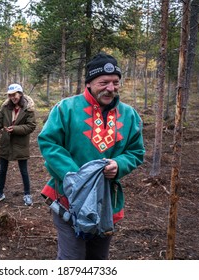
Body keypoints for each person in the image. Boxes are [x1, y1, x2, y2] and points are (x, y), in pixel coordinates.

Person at [38, 52, 145, 259]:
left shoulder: (129, 115)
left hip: (107, 202)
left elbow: (136, 151)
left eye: (115, 82)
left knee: (99, 259)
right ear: (88, 83)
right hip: (66, 199)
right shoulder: (66, 109)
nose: (110, 88)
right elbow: (49, 142)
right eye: (103, 82)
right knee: (72, 260)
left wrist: (119, 164)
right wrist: (78, 178)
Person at [0, 83, 37, 206]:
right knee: (2, 170)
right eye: (10, 95)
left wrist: (15, 129)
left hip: (20, 144)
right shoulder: (6, 108)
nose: (12, 97)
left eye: (14, 95)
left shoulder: (28, 109)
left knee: (24, 171)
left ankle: (27, 195)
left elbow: (31, 126)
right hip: (6, 143)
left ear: (20, 94)